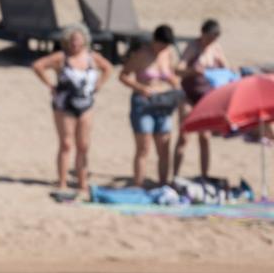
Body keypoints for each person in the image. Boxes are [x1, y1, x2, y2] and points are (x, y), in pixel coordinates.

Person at [31, 24, 114, 194]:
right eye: (72, 40)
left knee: (83, 145)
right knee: (66, 144)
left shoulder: (92, 58)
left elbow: (108, 68)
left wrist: (98, 85)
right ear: (67, 42)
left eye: (78, 40)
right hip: (64, 105)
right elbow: (38, 66)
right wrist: (50, 85)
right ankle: (62, 182)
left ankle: (82, 183)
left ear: (85, 41)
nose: (75, 44)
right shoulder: (61, 58)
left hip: (86, 104)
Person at [118, 25, 183, 187]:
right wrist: (140, 88)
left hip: (164, 102)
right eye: (162, 44)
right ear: (155, 41)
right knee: (144, 148)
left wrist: (174, 82)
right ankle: (138, 184)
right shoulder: (142, 55)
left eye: (167, 45)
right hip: (144, 102)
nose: (163, 48)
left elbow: (171, 75)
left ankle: (163, 184)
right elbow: (123, 75)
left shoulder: (168, 54)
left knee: (164, 147)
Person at [175, 19, 232, 179]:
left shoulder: (215, 49)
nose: (210, 41)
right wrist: (193, 71)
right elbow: (178, 70)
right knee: (184, 135)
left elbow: (226, 69)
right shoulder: (193, 47)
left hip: (206, 97)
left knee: (205, 137)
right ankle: (175, 174)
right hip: (189, 95)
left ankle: (204, 175)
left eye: (214, 38)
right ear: (203, 34)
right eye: (209, 37)